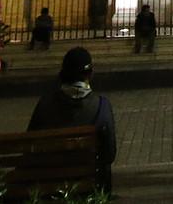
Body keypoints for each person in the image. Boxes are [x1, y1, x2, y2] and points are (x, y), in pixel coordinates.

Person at [27, 47, 117, 193]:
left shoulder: (45, 104)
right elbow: (109, 154)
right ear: (90, 74)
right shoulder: (101, 106)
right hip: (88, 185)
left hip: (50, 184)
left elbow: (30, 145)